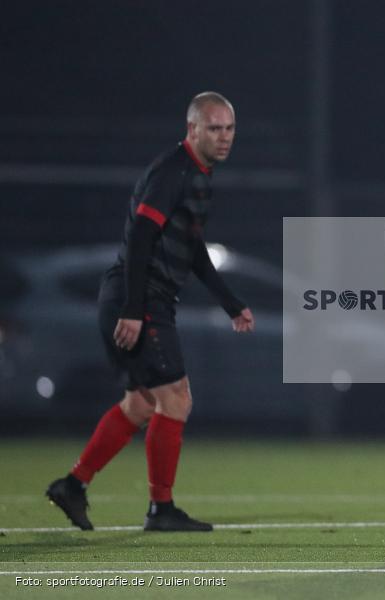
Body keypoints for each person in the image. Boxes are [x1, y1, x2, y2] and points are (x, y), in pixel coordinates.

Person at [46, 92, 254, 532]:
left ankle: (73, 485)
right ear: (192, 129)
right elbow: (141, 235)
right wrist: (135, 308)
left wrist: (230, 302)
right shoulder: (174, 170)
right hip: (139, 298)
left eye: (229, 128)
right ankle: (161, 509)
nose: (223, 136)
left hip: (143, 298)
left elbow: (193, 249)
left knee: (141, 404)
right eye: (213, 128)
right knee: (176, 397)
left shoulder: (198, 175)